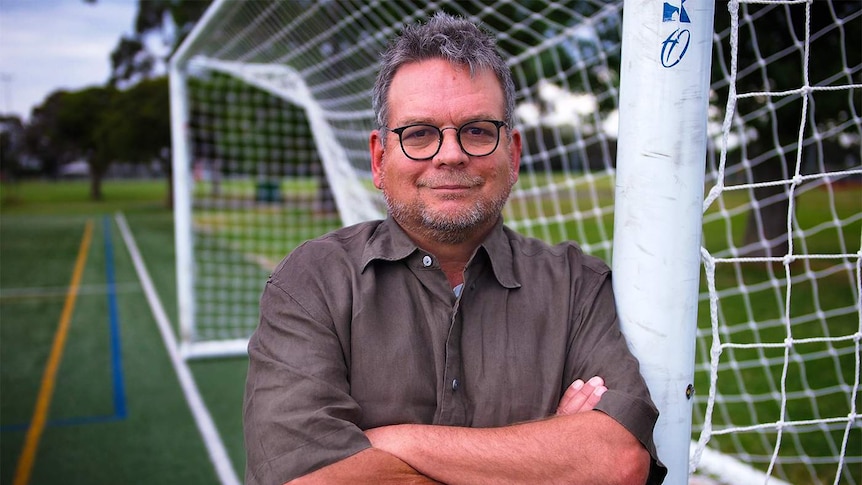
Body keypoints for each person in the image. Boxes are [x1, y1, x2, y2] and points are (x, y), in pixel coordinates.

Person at [244, 12, 667, 485]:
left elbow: (617, 463)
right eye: (419, 133)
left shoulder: (578, 287)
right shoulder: (312, 280)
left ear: (515, 154)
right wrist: (548, 449)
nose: (450, 154)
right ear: (380, 158)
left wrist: (390, 442)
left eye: (478, 131)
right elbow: (303, 478)